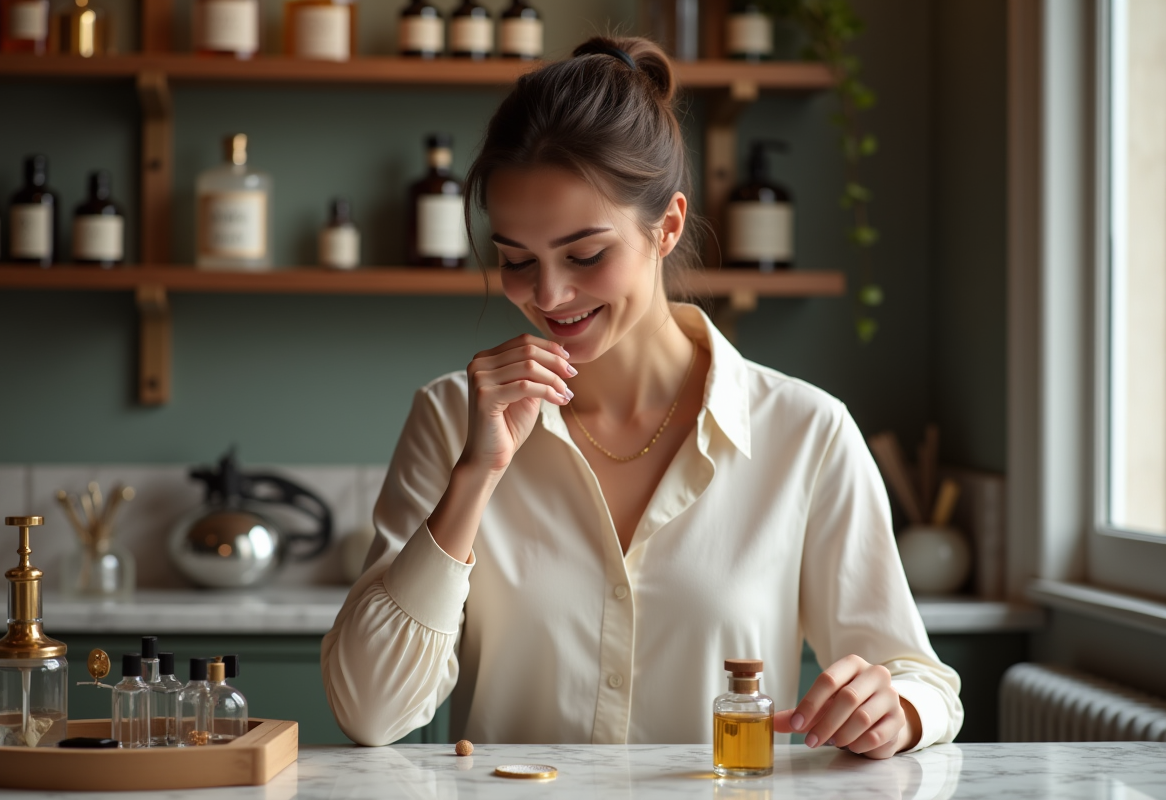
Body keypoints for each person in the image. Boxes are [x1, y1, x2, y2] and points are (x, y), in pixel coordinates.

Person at [322, 35, 963, 758]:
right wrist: (475, 476)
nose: (549, 295)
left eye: (585, 254)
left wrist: (896, 711)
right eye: (516, 260)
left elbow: (920, 680)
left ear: (668, 228)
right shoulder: (450, 420)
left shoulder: (806, 433)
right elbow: (370, 712)